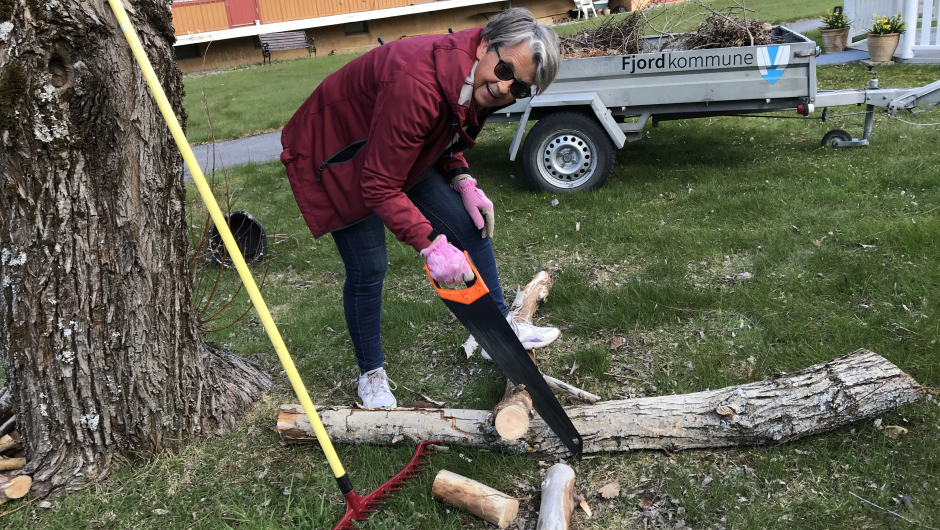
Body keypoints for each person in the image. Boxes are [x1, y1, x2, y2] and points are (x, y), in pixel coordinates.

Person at [280, 8, 563, 408]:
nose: (504, 88)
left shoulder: (478, 78)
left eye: (519, 87)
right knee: (369, 266)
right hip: (338, 152)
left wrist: (462, 178)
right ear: (484, 45)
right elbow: (378, 183)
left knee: (470, 222)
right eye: (503, 71)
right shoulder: (418, 83)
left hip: (391, 147)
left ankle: (498, 333)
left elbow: (447, 131)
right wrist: (430, 245)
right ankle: (371, 374)